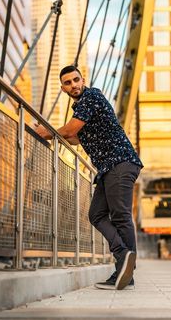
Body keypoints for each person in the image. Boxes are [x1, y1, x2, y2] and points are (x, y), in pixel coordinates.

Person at [36, 65, 143, 290]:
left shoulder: (91, 95)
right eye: (68, 82)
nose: (74, 85)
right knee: (96, 214)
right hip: (107, 168)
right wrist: (51, 134)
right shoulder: (81, 107)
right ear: (63, 87)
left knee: (121, 216)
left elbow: (68, 130)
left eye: (76, 80)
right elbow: (74, 137)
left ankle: (126, 271)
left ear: (83, 79)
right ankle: (124, 257)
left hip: (120, 162)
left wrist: (47, 132)